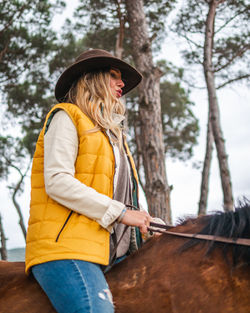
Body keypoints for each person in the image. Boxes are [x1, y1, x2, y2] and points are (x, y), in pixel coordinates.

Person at [25, 49, 156, 313]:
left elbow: (122, 199)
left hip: (106, 250)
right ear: (92, 78)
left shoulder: (114, 136)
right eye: (114, 76)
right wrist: (120, 213)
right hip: (66, 249)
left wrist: (148, 220)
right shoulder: (66, 116)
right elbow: (57, 181)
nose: (121, 84)